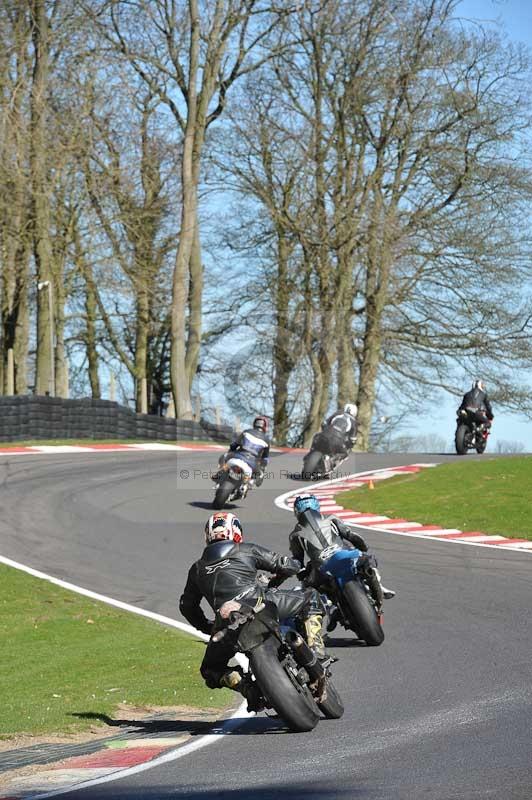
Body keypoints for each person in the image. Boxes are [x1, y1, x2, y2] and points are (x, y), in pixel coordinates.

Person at [179, 511, 327, 711]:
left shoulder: (196, 569)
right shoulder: (245, 550)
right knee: (311, 598)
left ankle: (247, 688)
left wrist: (208, 628)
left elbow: (187, 607)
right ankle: (316, 649)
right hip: (259, 602)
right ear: (236, 532)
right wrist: (296, 566)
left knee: (210, 670)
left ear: (208, 536)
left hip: (226, 624)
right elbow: (281, 563)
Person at [288, 494, 395, 631]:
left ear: (296, 511)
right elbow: (351, 535)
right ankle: (378, 587)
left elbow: (297, 560)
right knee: (368, 559)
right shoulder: (331, 518)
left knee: (307, 588)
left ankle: (326, 610)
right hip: (344, 555)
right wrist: (363, 547)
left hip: (320, 566)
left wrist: (300, 572)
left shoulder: (295, 535)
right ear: (316, 505)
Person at [212, 416, 270, 487]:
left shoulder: (246, 432)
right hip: (252, 462)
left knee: (224, 456)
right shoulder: (266, 440)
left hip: (238, 456)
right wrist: (262, 468)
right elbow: (265, 458)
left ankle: (219, 473)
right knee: (258, 474)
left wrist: (231, 450)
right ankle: (248, 484)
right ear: (265, 426)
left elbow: (234, 444)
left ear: (254, 424)